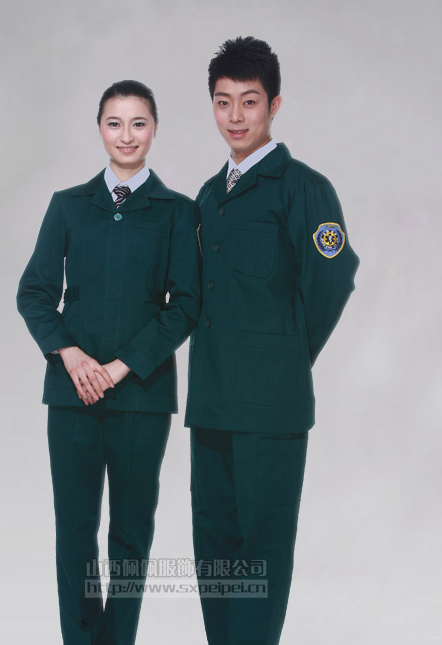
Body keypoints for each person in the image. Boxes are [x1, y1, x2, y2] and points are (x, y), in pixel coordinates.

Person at [185, 37, 359, 645]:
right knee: (214, 552)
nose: (235, 116)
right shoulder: (209, 197)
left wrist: (283, 357)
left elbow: (333, 277)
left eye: (249, 101)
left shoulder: (302, 188)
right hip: (210, 405)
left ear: (274, 105)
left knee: (259, 555)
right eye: (223, 101)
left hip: (270, 410)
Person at [17, 80, 201, 645]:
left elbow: (185, 305)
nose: (126, 135)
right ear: (100, 128)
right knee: (74, 529)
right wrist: (72, 357)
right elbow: (35, 292)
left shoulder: (178, 211)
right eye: (115, 123)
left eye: (138, 123)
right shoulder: (68, 205)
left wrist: (119, 367)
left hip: (141, 395)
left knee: (131, 532)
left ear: (154, 129)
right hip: (71, 393)